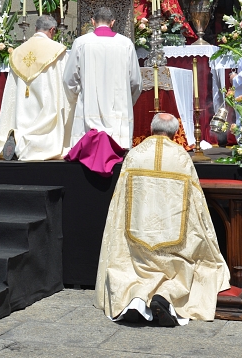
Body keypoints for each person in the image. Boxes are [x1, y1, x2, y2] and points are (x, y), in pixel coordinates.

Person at [95, 113, 230, 326]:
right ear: (176, 133)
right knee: (191, 265)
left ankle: (136, 300)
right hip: (172, 243)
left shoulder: (135, 154)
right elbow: (196, 202)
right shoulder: (180, 156)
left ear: (151, 129)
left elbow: (119, 200)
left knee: (129, 268)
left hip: (138, 239)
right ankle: (165, 297)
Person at [0, 15, 72, 161]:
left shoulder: (18, 51)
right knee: (49, 122)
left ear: (35, 29)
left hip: (23, 107)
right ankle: (38, 143)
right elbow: (65, 82)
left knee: (23, 114)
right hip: (47, 107)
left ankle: (19, 138)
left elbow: (11, 92)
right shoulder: (57, 51)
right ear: (52, 30)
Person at [63, 7, 142, 149]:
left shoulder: (81, 43)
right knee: (117, 157)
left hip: (88, 110)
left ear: (93, 22)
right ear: (112, 22)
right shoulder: (126, 44)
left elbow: (69, 79)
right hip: (118, 113)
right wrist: (128, 100)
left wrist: (76, 97)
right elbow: (135, 81)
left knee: (88, 154)